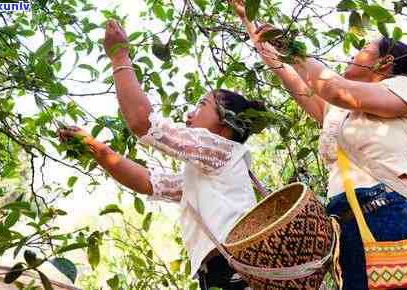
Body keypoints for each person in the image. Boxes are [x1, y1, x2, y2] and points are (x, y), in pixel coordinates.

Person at [231, 1, 407, 289]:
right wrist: (249, 19)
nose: (351, 55)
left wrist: (291, 47)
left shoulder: (404, 88)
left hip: (392, 210)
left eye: (361, 50)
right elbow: (286, 72)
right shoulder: (336, 113)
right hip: (346, 223)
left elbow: (334, 88)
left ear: (383, 63)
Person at [57, 20, 267, 290]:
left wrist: (119, 55)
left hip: (235, 269)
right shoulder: (210, 173)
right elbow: (150, 181)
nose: (189, 114)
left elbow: (144, 124)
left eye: (201, 105)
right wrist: (94, 147)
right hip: (220, 272)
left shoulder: (221, 149)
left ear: (226, 127)